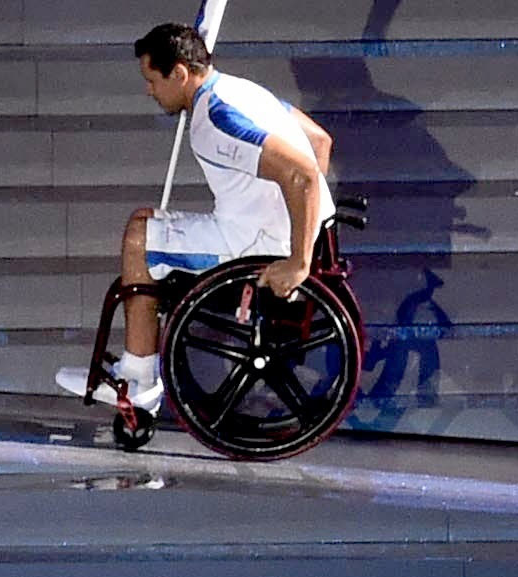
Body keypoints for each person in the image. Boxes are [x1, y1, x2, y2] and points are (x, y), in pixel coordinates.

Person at [57, 22, 337, 415]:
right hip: (284, 230)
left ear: (179, 73)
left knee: (140, 238)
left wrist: (298, 261)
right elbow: (320, 141)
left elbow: (302, 175)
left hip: (256, 242)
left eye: (152, 80)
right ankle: (139, 369)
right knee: (146, 219)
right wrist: (302, 219)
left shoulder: (216, 120)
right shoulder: (242, 89)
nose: (149, 91)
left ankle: (139, 381)